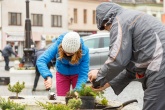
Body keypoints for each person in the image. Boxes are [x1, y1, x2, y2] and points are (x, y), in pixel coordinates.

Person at [88, 2, 165, 110]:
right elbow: (131, 69)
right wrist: (106, 83)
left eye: (106, 28)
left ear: (107, 21)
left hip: (160, 65)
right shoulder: (129, 18)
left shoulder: (120, 21)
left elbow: (116, 60)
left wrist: (99, 75)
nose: (109, 31)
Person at [36, 32, 90, 96]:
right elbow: (41, 60)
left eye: (70, 54)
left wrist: (78, 90)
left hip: (77, 75)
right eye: (65, 52)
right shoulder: (57, 45)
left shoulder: (84, 51)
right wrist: (47, 76)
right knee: (61, 98)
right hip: (62, 74)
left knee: (78, 97)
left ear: (77, 51)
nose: (67, 54)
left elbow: (83, 73)